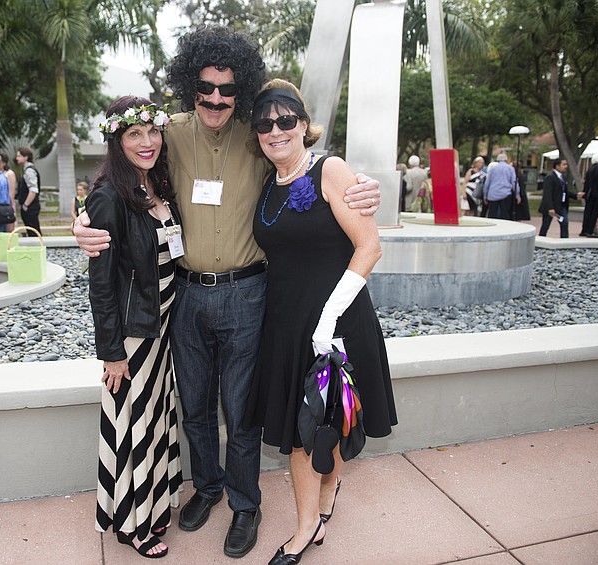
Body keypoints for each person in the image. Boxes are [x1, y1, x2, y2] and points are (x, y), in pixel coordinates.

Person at [75, 26, 381, 559]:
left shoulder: (259, 133)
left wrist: (363, 185)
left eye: (227, 90)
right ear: (190, 86)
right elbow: (124, 172)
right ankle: (208, 487)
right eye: (205, 89)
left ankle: (245, 503)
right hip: (186, 295)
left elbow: (304, 161)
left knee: (241, 410)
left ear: (240, 91)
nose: (216, 99)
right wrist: (82, 222)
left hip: (249, 293)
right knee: (193, 405)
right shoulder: (165, 133)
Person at [242, 79, 397, 565]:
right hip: (287, 324)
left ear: (304, 125)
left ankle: (305, 528)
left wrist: (327, 320)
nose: (276, 129)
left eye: (286, 119)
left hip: (337, 321)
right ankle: (326, 502)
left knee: (308, 429)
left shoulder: (330, 169)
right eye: (265, 123)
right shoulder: (268, 182)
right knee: (318, 421)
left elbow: (370, 247)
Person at [89, 96, 180, 560]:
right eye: (133, 134)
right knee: (134, 428)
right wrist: (112, 351)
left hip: (162, 330)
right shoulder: (107, 196)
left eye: (151, 132)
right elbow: (101, 284)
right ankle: (133, 524)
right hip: (133, 336)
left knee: (154, 422)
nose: (146, 142)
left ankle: (154, 504)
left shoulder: (157, 185)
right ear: (116, 139)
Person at [539, 157, 583, 238]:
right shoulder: (550, 178)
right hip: (551, 206)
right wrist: (550, 207)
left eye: (566, 164)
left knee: (564, 223)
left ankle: (564, 240)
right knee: (546, 225)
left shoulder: (562, 178)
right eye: (563, 164)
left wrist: (575, 195)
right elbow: (547, 194)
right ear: (557, 166)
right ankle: (541, 239)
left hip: (561, 205)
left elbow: (564, 192)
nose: (565, 166)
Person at [483, 154, 520, 220]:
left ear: (497, 160)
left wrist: (485, 195)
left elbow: (487, 182)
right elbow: (514, 182)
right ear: (506, 160)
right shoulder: (510, 169)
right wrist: (517, 195)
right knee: (505, 214)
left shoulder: (492, 169)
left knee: (492, 214)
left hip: (493, 194)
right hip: (505, 193)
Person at [15, 147, 41, 235]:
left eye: (19, 156)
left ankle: (37, 246)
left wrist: (26, 204)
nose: (17, 158)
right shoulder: (27, 169)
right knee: (31, 230)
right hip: (30, 206)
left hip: (30, 207)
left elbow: (33, 189)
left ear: (26, 157)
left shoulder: (29, 170)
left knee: (33, 230)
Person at [0, 153, 18, 233]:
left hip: (7, 204)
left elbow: (12, 191)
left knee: (10, 229)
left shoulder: (9, 173)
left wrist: (10, 205)